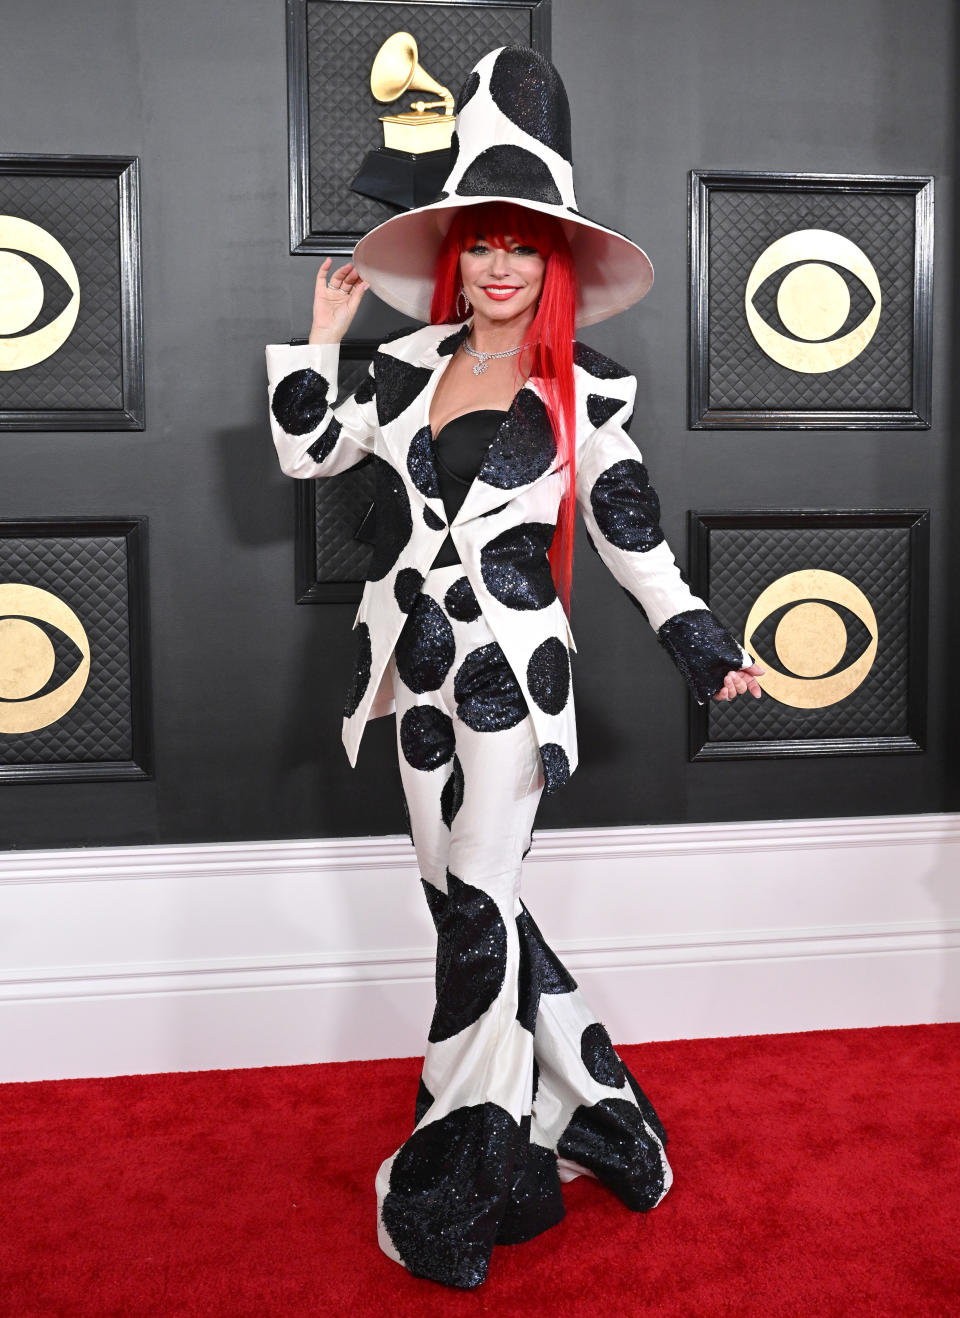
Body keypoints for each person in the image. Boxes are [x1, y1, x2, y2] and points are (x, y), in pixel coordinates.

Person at [265, 46, 764, 1290]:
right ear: (458, 257)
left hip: (511, 695)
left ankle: (460, 1159)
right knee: (462, 904)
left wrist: (708, 651)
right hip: (409, 684)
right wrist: (323, 339)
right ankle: (599, 1107)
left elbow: (634, 538)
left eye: (521, 245)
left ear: (554, 265)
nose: (497, 265)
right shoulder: (408, 366)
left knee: (480, 898)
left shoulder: (585, 394)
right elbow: (309, 456)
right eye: (480, 242)